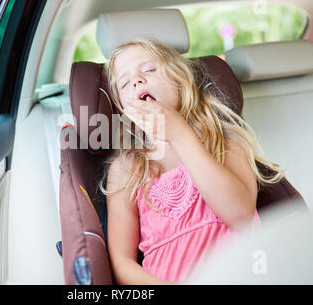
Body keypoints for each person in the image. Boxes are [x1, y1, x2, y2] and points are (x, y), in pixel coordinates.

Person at [98, 38, 284, 284]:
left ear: (179, 79)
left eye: (149, 69)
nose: (136, 80)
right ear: (123, 107)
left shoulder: (224, 139)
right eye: (124, 82)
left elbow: (240, 216)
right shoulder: (127, 168)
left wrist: (179, 134)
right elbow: (122, 263)